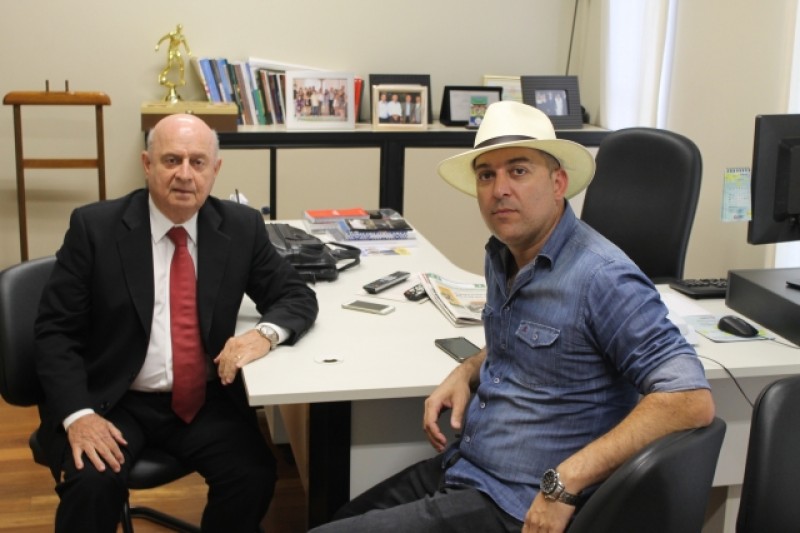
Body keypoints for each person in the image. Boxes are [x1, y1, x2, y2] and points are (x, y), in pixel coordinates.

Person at [309, 101, 714, 533]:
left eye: (518, 171)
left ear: (558, 183)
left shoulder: (603, 277)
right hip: (467, 466)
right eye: (487, 175)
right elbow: (530, 339)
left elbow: (689, 399)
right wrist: (466, 370)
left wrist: (565, 483)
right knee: (341, 519)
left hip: (518, 503)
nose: (499, 189)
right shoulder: (504, 253)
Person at [34, 113, 319, 533]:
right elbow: (55, 332)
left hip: (203, 400)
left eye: (197, 162)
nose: (185, 174)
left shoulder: (240, 228)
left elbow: (295, 295)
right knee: (93, 483)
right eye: (172, 160)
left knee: (252, 475)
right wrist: (79, 415)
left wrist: (264, 335)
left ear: (215, 170)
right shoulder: (95, 228)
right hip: (115, 398)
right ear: (147, 164)